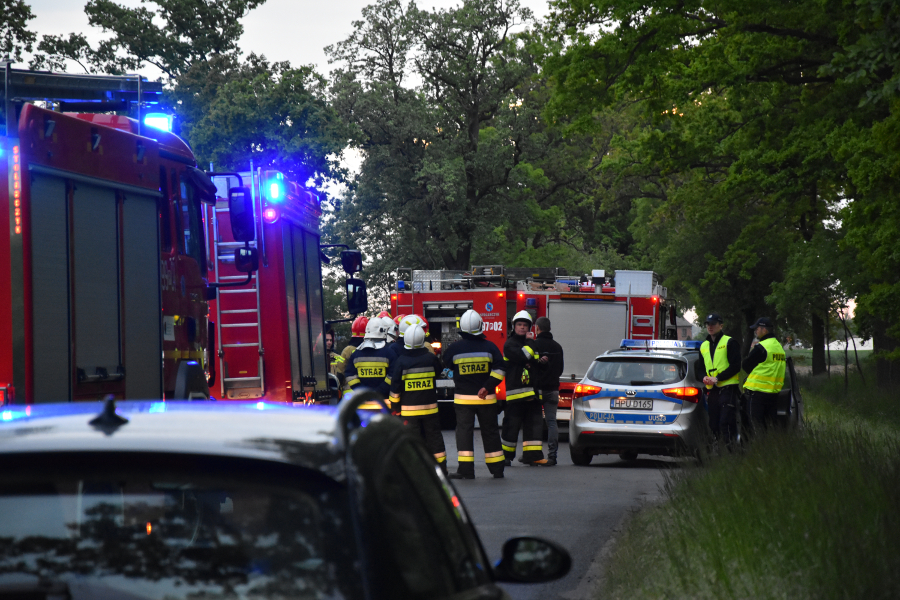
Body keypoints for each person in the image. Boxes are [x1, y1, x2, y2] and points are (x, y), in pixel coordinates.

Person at [442, 309, 506, 479]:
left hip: (463, 401)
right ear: (480, 326)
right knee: (490, 432)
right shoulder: (490, 347)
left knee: (464, 432)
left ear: (461, 327)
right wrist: (488, 386)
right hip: (486, 399)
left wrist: (452, 375)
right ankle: (497, 469)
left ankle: (466, 470)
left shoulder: (454, 349)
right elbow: (500, 369)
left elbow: (444, 367)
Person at [388, 323, 447, 474]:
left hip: (409, 411)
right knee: (434, 438)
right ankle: (441, 469)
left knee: (412, 441)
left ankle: (415, 472)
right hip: (430, 409)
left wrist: (394, 407)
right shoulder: (430, 358)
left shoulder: (401, 361)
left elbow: (396, 387)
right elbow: (439, 371)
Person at [500, 310, 546, 466]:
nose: (522, 328)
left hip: (533, 394)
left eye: (525, 325)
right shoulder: (510, 344)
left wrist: (538, 360)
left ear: (530, 327)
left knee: (533, 426)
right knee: (511, 426)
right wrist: (530, 348)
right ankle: (506, 457)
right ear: (514, 326)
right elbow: (524, 356)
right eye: (519, 325)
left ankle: (532, 456)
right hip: (516, 395)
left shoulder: (530, 344)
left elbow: (535, 361)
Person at [698, 313, 742, 450]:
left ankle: (731, 449)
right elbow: (700, 369)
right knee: (714, 423)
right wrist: (703, 377)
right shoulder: (704, 346)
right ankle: (721, 450)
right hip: (712, 390)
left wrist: (718, 378)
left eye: (713, 324)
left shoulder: (729, 342)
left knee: (726, 421)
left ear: (721, 326)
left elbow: (735, 366)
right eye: (708, 324)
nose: (710, 327)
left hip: (727, 388)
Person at [742, 316, 786, 433]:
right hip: (773, 394)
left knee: (755, 427)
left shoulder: (762, 347)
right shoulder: (779, 348)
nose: (755, 331)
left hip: (757, 394)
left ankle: (756, 448)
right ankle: (767, 448)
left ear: (764, 330)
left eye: (757, 328)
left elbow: (746, 365)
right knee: (769, 426)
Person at [531, 316, 564, 466]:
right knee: (551, 422)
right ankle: (553, 455)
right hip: (553, 389)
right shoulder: (557, 347)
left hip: (538, 390)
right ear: (550, 329)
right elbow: (560, 369)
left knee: (536, 422)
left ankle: (535, 455)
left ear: (537, 328)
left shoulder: (534, 345)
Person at [344, 317, 395, 410]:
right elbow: (393, 376)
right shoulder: (389, 353)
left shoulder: (356, 354)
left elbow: (350, 375)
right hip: (384, 403)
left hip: (362, 403)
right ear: (382, 331)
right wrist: (379, 391)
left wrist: (362, 391)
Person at [338, 315, 369, 390]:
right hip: (368, 389)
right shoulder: (372, 349)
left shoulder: (347, 350)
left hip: (349, 390)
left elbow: (340, 369)